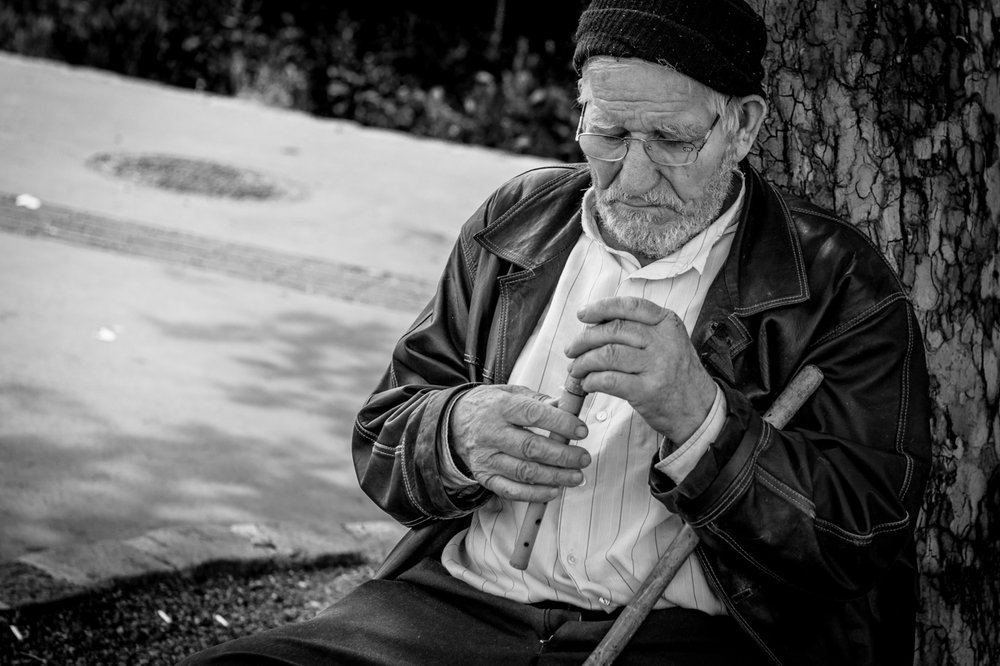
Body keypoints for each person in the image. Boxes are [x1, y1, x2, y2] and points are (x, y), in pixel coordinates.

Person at [179, 0, 931, 664]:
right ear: (579, 117)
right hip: (455, 610)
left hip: (689, 638)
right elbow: (383, 434)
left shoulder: (840, 284)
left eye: (670, 141)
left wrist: (702, 421)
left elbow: (861, 538)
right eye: (608, 135)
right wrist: (455, 431)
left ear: (742, 126)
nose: (633, 178)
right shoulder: (517, 223)